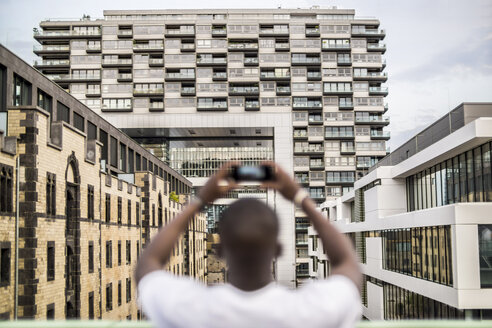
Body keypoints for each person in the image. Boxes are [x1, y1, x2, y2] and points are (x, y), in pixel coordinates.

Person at [136, 161, 362, 328]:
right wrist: (299, 197)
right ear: (278, 249)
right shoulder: (314, 311)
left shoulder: (189, 309)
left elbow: (148, 265)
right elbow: (347, 263)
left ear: (219, 249)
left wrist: (201, 199)